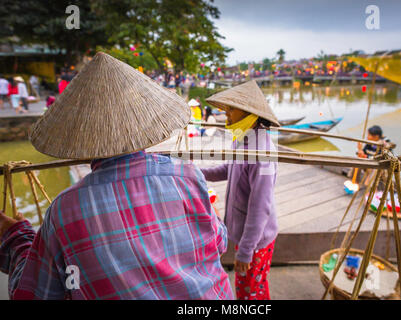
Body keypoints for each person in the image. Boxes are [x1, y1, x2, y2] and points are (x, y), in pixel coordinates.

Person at [0, 52, 233, 300]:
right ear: (144, 123)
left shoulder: (65, 210)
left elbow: (34, 294)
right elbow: (220, 243)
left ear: (80, 135)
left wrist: (17, 239)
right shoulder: (187, 176)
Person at [201, 80, 280, 300]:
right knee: (252, 286)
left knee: (249, 291)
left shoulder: (263, 155)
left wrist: (246, 251)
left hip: (255, 239)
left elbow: (260, 207)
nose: (226, 114)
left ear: (249, 113)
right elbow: (230, 168)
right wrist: (200, 173)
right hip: (245, 233)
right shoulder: (244, 138)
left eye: (231, 109)